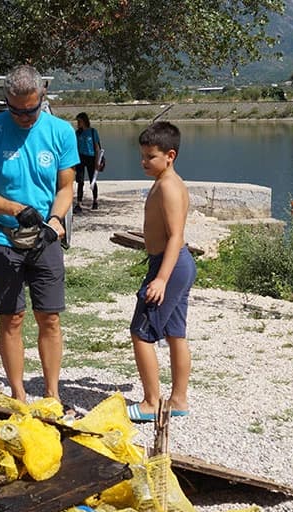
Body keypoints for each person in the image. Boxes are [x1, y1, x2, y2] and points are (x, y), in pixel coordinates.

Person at [0, 65, 78, 402]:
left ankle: (52, 393)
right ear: (6, 101)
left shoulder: (61, 132)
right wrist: (15, 209)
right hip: (3, 238)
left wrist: (55, 220)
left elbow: (66, 187)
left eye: (30, 110)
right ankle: (18, 394)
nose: (23, 117)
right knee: (12, 318)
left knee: (49, 317)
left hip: (45, 237)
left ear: (42, 97)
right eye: (15, 110)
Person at [127, 121, 195, 423]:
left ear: (170, 155)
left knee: (141, 333)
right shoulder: (166, 181)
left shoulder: (168, 186)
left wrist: (161, 279)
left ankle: (151, 402)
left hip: (170, 265)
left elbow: (176, 236)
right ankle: (178, 400)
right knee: (175, 333)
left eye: (150, 157)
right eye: (142, 156)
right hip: (175, 264)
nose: (144, 162)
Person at [74, 112, 101, 213]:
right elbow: (74, 147)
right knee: (80, 181)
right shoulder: (77, 133)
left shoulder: (93, 132)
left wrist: (97, 161)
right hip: (80, 158)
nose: (78, 123)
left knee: (92, 180)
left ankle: (95, 201)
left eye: (79, 121)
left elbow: (97, 148)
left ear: (84, 121)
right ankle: (79, 203)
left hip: (91, 157)